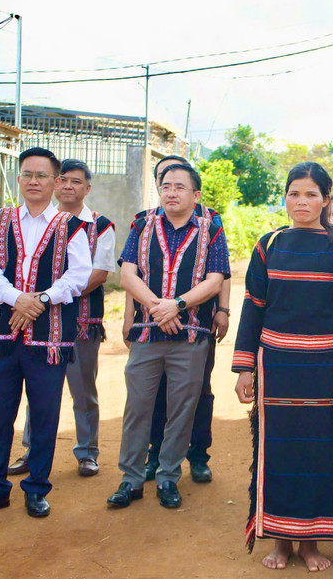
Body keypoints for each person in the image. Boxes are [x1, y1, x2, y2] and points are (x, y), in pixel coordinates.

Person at [233, 162, 333, 572]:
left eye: (311, 194)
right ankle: (280, 541)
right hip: (277, 366)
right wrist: (244, 368)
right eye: (294, 193)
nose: (301, 201)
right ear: (285, 197)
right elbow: (253, 307)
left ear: (327, 199)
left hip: (326, 369)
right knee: (279, 453)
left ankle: (310, 543)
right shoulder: (268, 244)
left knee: (321, 455)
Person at [0, 147, 91, 519]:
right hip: (1, 339)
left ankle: (36, 488)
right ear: (18, 179)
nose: (33, 182)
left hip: (47, 341)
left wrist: (43, 299)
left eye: (42, 175)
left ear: (56, 181)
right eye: (27, 175)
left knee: (45, 416)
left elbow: (78, 275)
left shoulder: (73, 226)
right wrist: (18, 299)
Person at [107, 163, 228, 510]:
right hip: (147, 336)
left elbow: (216, 278)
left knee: (181, 410)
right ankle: (130, 479)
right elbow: (128, 274)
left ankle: (168, 477)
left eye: (179, 186)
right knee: (137, 409)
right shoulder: (142, 225)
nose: (171, 192)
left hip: (190, 337)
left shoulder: (211, 230)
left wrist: (177, 305)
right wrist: (158, 308)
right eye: (165, 186)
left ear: (196, 194)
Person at [7, 159, 115, 478]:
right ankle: (31, 450)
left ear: (87, 188)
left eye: (76, 182)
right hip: (38, 325)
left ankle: (86, 452)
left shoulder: (100, 225)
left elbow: (97, 274)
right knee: (37, 389)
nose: (68, 186)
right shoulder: (35, 220)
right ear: (55, 183)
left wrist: (51, 294)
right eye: (63, 180)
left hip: (80, 323)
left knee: (82, 389)